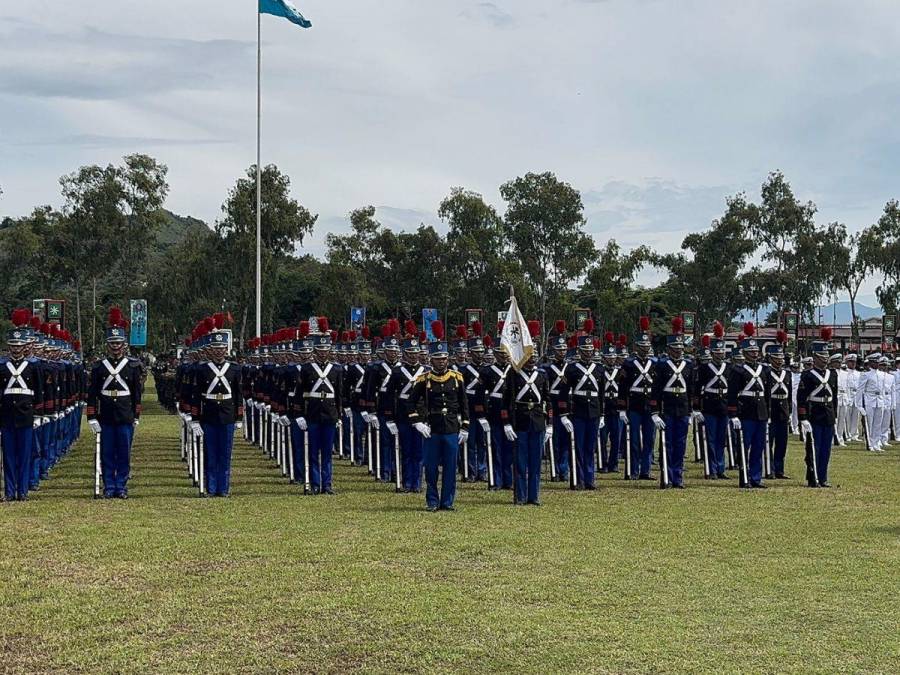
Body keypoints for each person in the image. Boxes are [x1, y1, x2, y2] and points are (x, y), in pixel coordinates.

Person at [408, 322, 468, 512]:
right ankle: (432, 501)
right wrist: (417, 422)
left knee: (450, 468)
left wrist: (465, 426)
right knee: (431, 468)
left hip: (451, 427)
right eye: (437, 358)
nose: (441, 361)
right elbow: (410, 402)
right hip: (431, 428)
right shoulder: (423, 379)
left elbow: (464, 404)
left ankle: (447, 502)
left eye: (444, 358)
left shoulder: (457, 378)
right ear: (431, 360)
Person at [86, 308, 143, 499]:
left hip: (125, 414)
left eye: (118, 343)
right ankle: (109, 485)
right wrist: (92, 416)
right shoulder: (99, 367)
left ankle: (122, 486)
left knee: (124, 453)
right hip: (106, 415)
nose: (115, 347)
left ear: (124, 345)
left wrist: (136, 415)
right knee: (107, 453)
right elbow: (92, 394)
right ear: (107, 345)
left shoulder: (133, 366)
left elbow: (137, 394)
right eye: (112, 343)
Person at [188, 314, 242, 497]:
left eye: (222, 348)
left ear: (226, 349)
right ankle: (210, 487)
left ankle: (223, 488)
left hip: (227, 415)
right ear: (210, 350)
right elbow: (196, 396)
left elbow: (238, 394)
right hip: (208, 415)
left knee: (225, 455)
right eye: (215, 348)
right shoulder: (202, 369)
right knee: (210, 454)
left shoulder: (234, 369)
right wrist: (195, 419)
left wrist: (239, 417)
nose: (219, 351)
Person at [291, 325, 343, 494]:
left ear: (329, 350)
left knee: (327, 452)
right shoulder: (306, 369)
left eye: (325, 349)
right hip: (312, 413)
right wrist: (298, 414)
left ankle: (326, 484)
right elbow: (299, 393)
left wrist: (339, 415)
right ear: (314, 350)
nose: (322, 353)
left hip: (330, 414)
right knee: (312, 452)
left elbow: (339, 395)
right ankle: (314, 483)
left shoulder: (336, 369)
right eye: (319, 349)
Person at [502, 326, 550, 506]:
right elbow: (505, 401)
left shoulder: (543, 375)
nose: (532, 359)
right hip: (519, 421)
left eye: (535, 355)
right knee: (521, 461)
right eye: (529, 355)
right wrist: (506, 422)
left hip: (537, 421)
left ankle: (534, 495)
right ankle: (520, 495)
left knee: (536, 462)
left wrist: (550, 423)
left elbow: (547, 400)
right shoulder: (514, 374)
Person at [1, 309, 44, 502]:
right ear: (9, 347)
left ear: (25, 347)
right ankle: (10, 491)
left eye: (19, 346)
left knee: (25, 455)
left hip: (26, 416)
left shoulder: (34, 367)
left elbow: (40, 393)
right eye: (13, 346)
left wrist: (39, 415)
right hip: (7, 416)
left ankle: (23, 490)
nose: (16, 349)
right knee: (8, 457)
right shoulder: (2, 367)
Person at [559, 319, 603, 489]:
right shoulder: (571, 369)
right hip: (577, 411)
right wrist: (563, 415)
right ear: (579, 351)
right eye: (585, 350)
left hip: (594, 411)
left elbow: (602, 395)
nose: (588, 353)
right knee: (577, 447)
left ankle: (590, 479)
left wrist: (602, 414)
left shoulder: (599, 369)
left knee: (590, 448)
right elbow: (564, 393)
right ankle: (578, 479)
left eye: (590, 350)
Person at [652, 317, 695, 488]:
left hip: (683, 409)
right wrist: (655, 412)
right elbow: (656, 390)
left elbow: (691, 390)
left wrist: (691, 411)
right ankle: (667, 476)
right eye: (675, 348)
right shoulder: (662, 366)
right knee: (666, 444)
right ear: (669, 349)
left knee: (680, 445)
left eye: (680, 348)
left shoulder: (689, 365)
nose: (678, 351)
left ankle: (678, 477)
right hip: (667, 408)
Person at [726, 322, 770, 489]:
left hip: (761, 412)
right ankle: (744, 477)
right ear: (744, 352)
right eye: (751, 351)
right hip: (745, 412)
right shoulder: (737, 370)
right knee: (744, 446)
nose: (754, 354)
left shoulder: (764, 370)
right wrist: (733, 414)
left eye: (756, 351)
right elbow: (732, 394)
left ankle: (756, 477)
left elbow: (766, 394)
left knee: (759, 447)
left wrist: (769, 413)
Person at [797, 329, 839, 487]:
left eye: (826, 356)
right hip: (814, 414)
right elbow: (801, 398)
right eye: (822, 356)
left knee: (826, 450)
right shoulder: (807, 375)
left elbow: (834, 396)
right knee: (813, 448)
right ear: (815, 357)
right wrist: (803, 418)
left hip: (827, 414)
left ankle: (823, 477)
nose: (825, 359)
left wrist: (834, 414)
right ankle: (812, 477)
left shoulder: (832, 374)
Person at [618, 317, 656, 480]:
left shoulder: (655, 363)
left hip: (649, 405)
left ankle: (645, 470)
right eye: (642, 346)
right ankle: (633, 469)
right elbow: (622, 388)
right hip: (634, 405)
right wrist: (621, 409)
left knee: (649, 439)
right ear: (636, 347)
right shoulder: (628, 364)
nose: (645, 349)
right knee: (633, 440)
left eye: (647, 346)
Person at [694, 322, 730, 479]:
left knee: (722, 440)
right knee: (711, 439)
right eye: (717, 352)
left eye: (722, 352)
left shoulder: (729, 368)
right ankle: (712, 468)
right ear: (712, 353)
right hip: (709, 406)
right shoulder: (704, 368)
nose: (720, 354)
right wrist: (696, 408)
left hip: (724, 406)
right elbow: (697, 389)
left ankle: (721, 468)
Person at [766, 332, 792, 479]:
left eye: (781, 358)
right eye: (777, 358)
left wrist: (790, 412)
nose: (780, 361)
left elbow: (789, 394)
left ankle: (779, 469)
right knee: (769, 442)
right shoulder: (766, 372)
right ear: (771, 358)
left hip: (783, 411)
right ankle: (769, 469)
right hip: (771, 409)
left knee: (782, 444)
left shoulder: (786, 374)